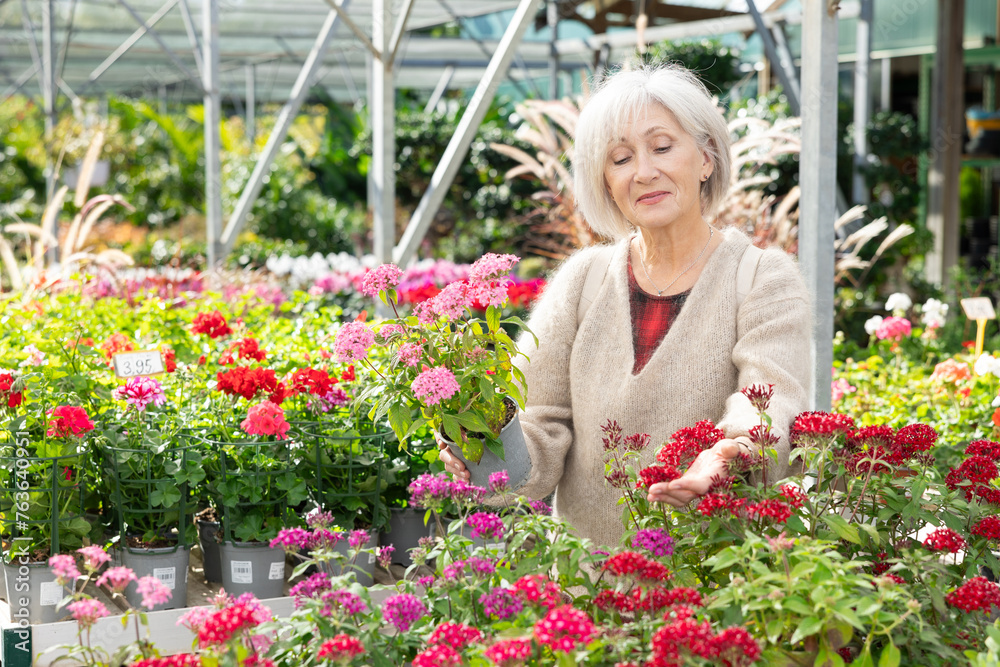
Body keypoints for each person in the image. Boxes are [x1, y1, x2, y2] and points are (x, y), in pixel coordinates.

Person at [439, 64, 812, 548]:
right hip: (590, 588)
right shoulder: (582, 281)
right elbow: (538, 425)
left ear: (706, 158)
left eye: (662, 147)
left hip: (717, 586)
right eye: (620, 158)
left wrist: (723, 455)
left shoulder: (763, 278)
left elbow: (769, 401)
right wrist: (479, 444)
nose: (644, 172)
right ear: (606, 183)